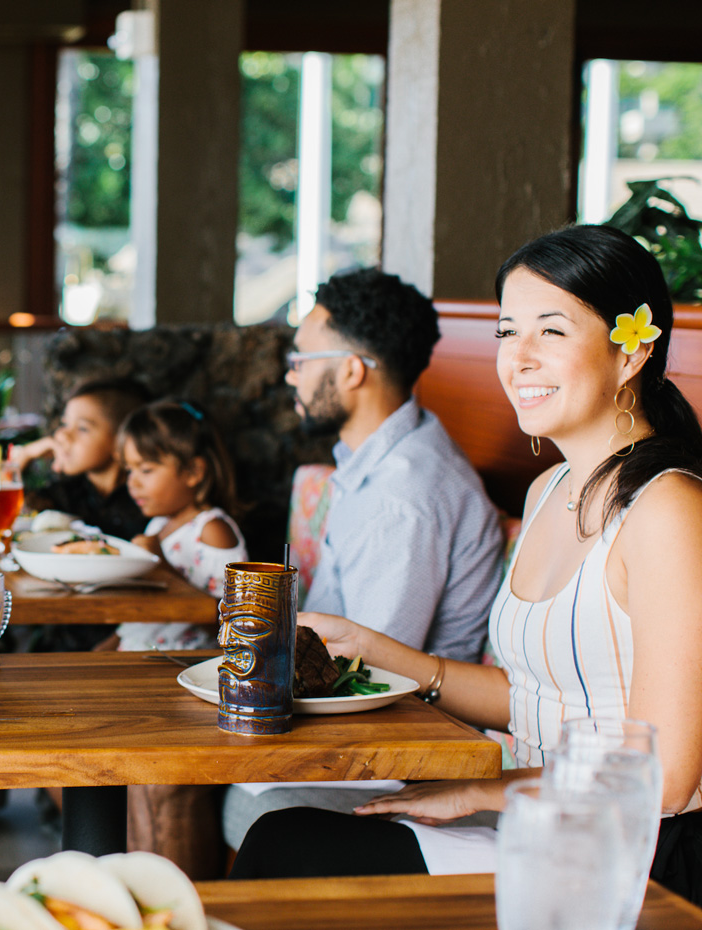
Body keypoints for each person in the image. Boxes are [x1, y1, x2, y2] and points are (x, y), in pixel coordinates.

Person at [229, 225, 702, 904]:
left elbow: (667, 776)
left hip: (636, 858)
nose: (519, 359)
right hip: (544, 825)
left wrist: (488, 788)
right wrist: (371, 648)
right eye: (508, 332)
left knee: (291, 853)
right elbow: (535, 695)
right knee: (284, 839)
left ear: (631, 353)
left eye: (552, 332)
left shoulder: (667, 510)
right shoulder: (549, 492)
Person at [220, 267, 505, 855]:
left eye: (300, 359)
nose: (289, 375)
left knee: (202, 778)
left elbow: (367, 672)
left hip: (409, 748)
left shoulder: (402, 496)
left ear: (351, 370)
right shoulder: (381, 457)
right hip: (374, 721)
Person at [107, 400, 247, 651]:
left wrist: (162, 567)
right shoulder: (157, 525)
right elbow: (141, 620)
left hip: (180, 667)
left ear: (193, 471)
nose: (132, 483)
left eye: (146, 470)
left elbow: (230, 627)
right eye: (129, 470)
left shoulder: (212, 531)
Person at [15, 377, 152, 541]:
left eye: (82, 428)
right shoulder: (68, 493)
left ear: (121, 442)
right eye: (65, 424)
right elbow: (2, 513)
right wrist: (25, 455)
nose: (62, 434)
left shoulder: (145, 497)